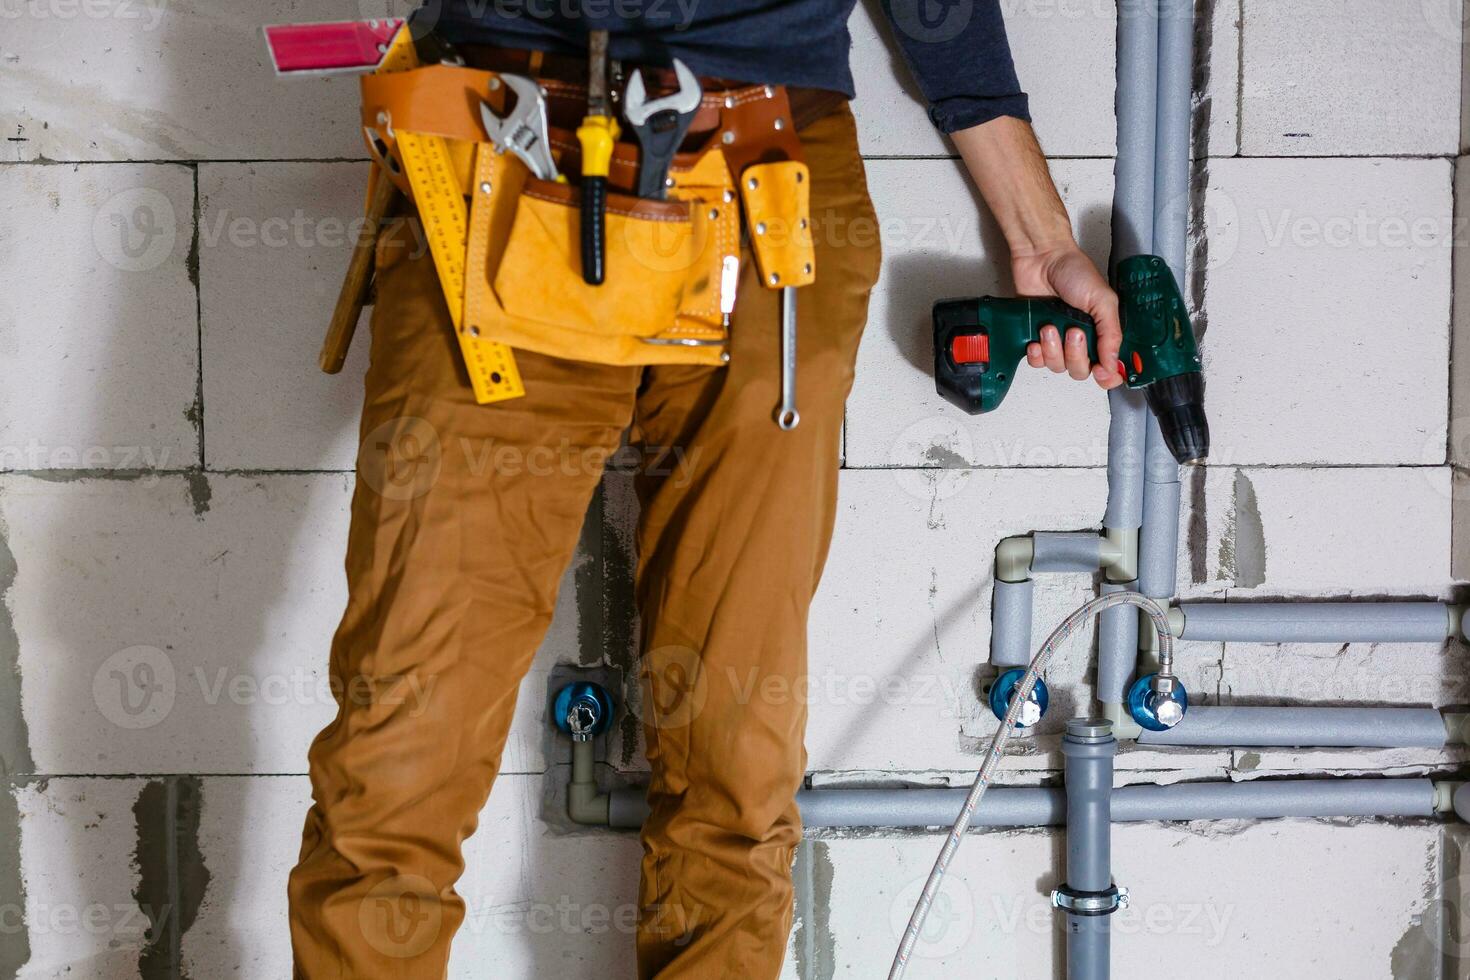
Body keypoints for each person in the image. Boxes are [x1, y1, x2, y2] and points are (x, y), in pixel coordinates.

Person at [287, 0, 1123, 975]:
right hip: (491, 159)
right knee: (400, 751)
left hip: (769, 183)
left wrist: (1040, 236)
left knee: (735, 753)